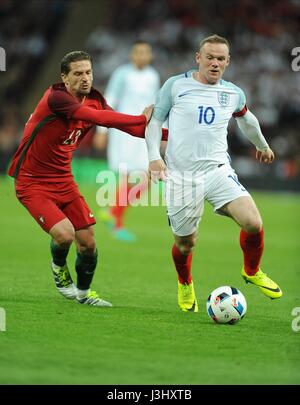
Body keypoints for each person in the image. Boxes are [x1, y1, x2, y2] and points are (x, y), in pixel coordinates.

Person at [8, 50, 157, 308]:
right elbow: (98, 119)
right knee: (65, 235)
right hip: (32, 182)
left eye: (88, 72)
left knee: (88, 242)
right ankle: (59, 269)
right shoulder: (56, 98)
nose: (85, 78)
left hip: (64, 180)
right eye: (77, 73)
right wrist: (140, 117)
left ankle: (84, 294)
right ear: (64, 78)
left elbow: (126, 126)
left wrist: (170, 135)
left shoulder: (95, 100)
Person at [145, 34, 282, 313]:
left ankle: (251, 270)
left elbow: (247, 119)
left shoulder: (233, 92)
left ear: (228, 62)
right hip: (181, 177)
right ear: (198, 57)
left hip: (218, 171)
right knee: (186, 244)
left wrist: (263, 145)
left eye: (221, 59)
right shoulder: (175, 85)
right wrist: (153, 158)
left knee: (253, 223)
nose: (215, 63)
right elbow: (154, 121)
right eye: (210, 57)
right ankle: (185, 283)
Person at [94, 41, 161, 242]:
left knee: (146, 179)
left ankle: (112, 213)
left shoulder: (153, 76)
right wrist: (101, 130)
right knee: (129, 178)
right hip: (122, 133)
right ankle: (117, 222)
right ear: (132, 55)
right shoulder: (122, 74)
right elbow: (109, 101)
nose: (143, 55)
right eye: (139, 52)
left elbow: (155, 106)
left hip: (143, 133)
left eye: (146, 52)